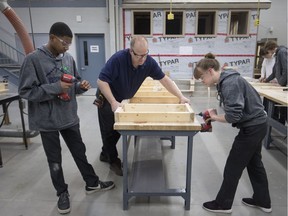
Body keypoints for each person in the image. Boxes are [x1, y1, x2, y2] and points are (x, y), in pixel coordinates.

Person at [18, 22, 115, 215]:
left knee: (80, 151)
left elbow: (74, 82)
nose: (67, 47)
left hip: (69, 117)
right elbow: (25, 91)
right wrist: (55, 88)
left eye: (69, 44)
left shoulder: (68, 58)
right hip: (48, 121)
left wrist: (81, 87)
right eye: (64, 42)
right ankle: (62, 192)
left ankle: (92, 183)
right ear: (52, 37)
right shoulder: (33, 60)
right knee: (54, 159)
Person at [95, 36, 190, 176]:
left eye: (145, 54)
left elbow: (164, 80)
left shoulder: (148, 62)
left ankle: (105, 153)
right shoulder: (118, 60)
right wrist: (113, 102)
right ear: (130, 51)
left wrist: (180, 96)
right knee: (109, 131)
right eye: (138, 55)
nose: (142, 59)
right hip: (108, 98)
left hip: (122, 99)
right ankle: (113, 161)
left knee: (117, 132)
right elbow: (101, 81)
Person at [194, 53, 271, 214]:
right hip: (258, 124)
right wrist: (215, 115)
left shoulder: (229, 83)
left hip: (252, 128)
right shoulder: (227, 79)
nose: (202, 82)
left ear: (210, 71)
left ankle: (223, 204)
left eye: (202, 78)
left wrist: (214, 117)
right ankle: (262, 200)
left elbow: (234, 116)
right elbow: (236, 110)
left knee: (233, 167)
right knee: (255, 164)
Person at [263, 40, 287, 125]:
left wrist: (281, 83)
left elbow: (286, 69)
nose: (269, 52)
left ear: (271, 48)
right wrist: (266, 80)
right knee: (280, 105)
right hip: (283, 84)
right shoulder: (277, 54)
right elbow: (275, 72)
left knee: (283, 105)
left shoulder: (282, 52)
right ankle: (278, 123)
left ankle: (281, 125)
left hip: (284, 85)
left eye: (268, 50)